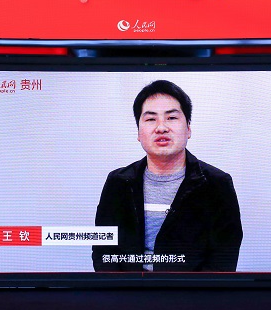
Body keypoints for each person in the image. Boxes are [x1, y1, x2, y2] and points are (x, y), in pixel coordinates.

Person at [92, 80, 242, 272]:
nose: (161, 127)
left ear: (188, 128)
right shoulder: (118, 182)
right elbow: (103, 251)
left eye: (171, 118)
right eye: (150, 119)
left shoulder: (217, 185)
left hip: (192, 290)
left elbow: (223, 260)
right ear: (138, 132)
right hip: (127, 289)